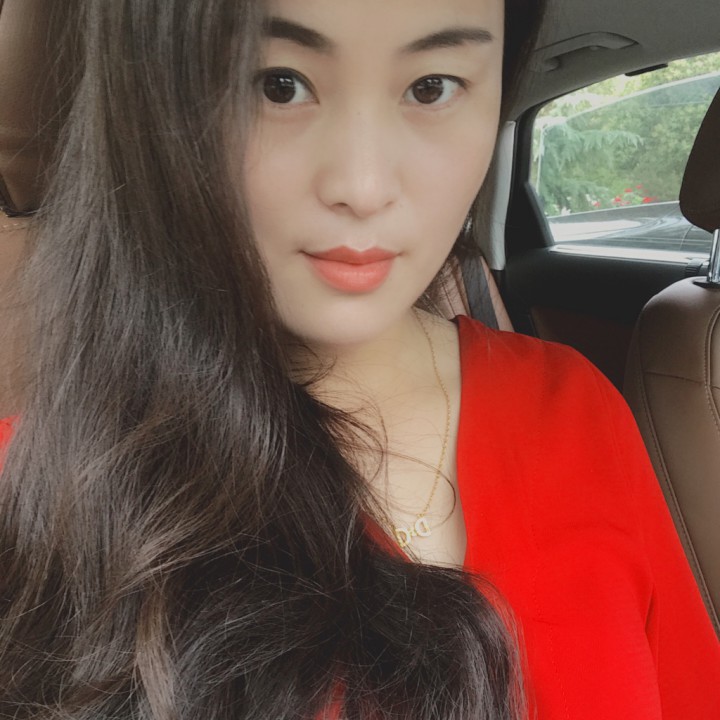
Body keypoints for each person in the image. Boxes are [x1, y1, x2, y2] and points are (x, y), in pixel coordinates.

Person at [0, 1, 719, 718]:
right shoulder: (40, 493)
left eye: (432, 87)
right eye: (278, 85)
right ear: (152, 105)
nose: (364, 186)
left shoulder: (573, 406)